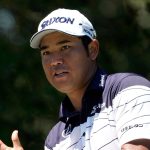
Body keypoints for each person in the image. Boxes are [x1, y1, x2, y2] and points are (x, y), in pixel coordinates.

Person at [0, 8, 150, 150]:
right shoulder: (54, 140)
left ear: (92, 50)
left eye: (65, 47)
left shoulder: (127, 89)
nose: (54, 60)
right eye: (46, 52)